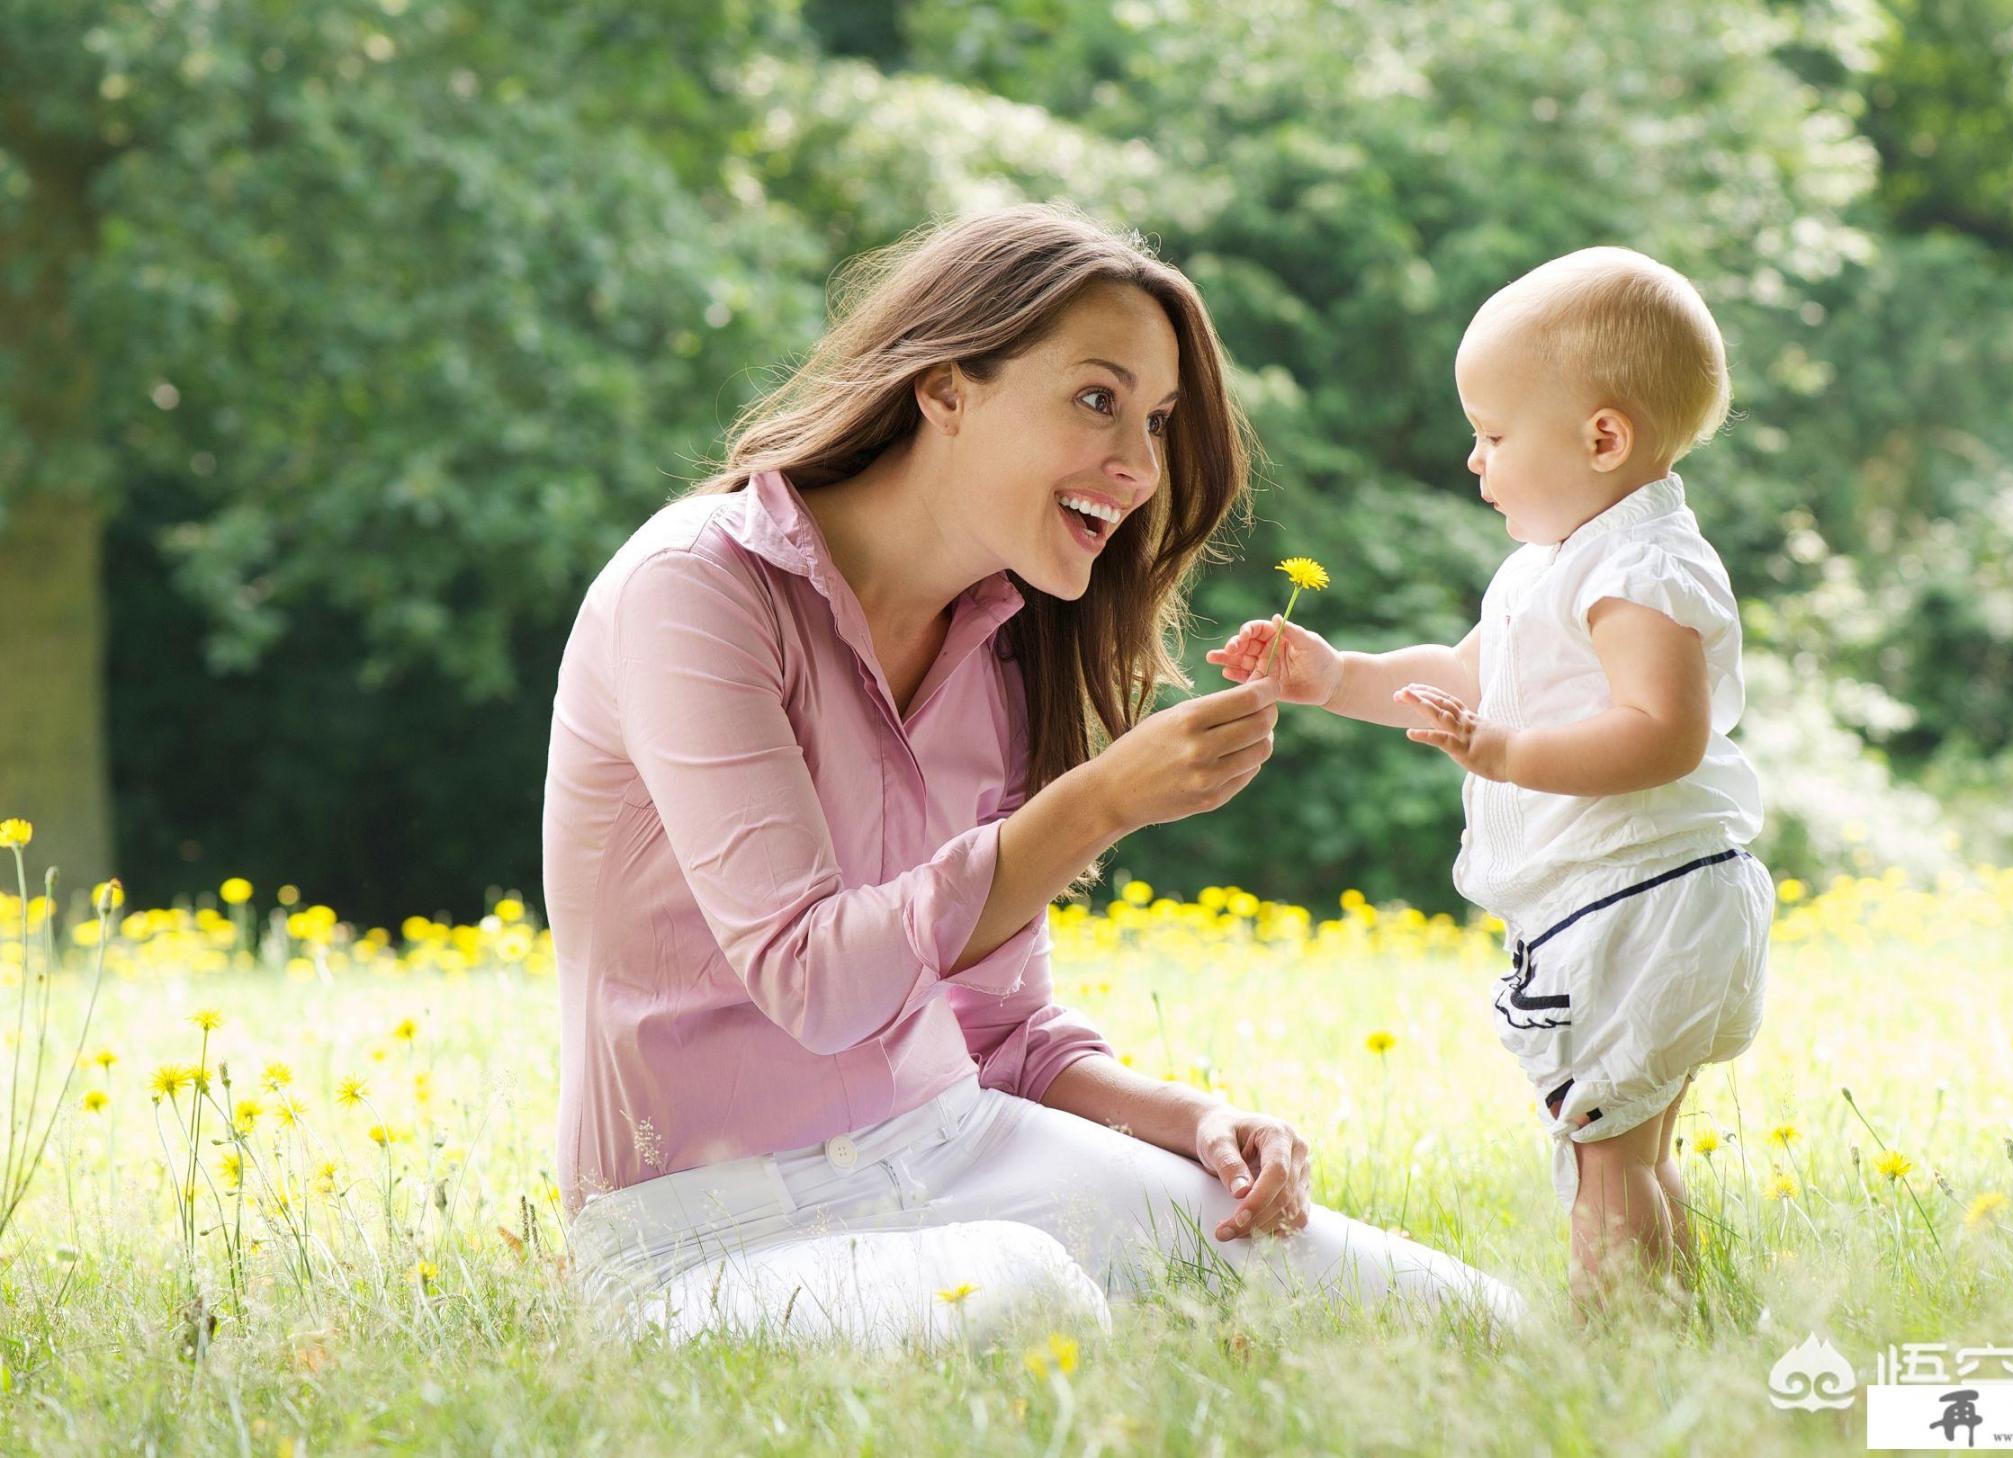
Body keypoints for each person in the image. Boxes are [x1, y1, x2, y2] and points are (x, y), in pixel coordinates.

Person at [542, 203, 1526, 1350]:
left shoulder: (1003, 645)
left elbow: (1000, 1034)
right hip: (707, 1231)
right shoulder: (696, 590)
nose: (1140, 467)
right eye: (1096, 398)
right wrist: (1098, 801)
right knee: (1022, 1298)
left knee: (1467, 1326)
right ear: (946, 388)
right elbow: (811, 981)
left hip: (958, 1145)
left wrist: (1192, 1120)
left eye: (1155, 420)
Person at [1209, 247, 1770, 1308]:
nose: (1474, 460)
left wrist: (1505, 751)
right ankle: (1672, 1329)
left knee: (1605, 1154)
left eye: (1494, 435)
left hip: (1640, 899)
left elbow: (1660, 734)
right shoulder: (1553, 562)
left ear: (1602, 437)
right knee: (1623, 1148)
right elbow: (1465, 678)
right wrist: (1334, 675)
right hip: (1622, 899)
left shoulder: (1638, 569)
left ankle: (1616, 1354)